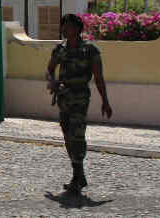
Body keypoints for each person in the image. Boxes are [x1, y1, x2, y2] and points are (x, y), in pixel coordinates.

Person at [46, 13, 112, 195]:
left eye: (70, 26)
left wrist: (105, 101)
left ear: (78, 29)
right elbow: (50, 69)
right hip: (64, 97)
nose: (66, 30)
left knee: (77, 133)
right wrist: (52, 81)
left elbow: (99, 78)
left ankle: (78, 175)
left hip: (80, 97)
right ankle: (78, 175)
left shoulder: (90, 50)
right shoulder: (60, 50)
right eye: (64, 26)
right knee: (67, 135)